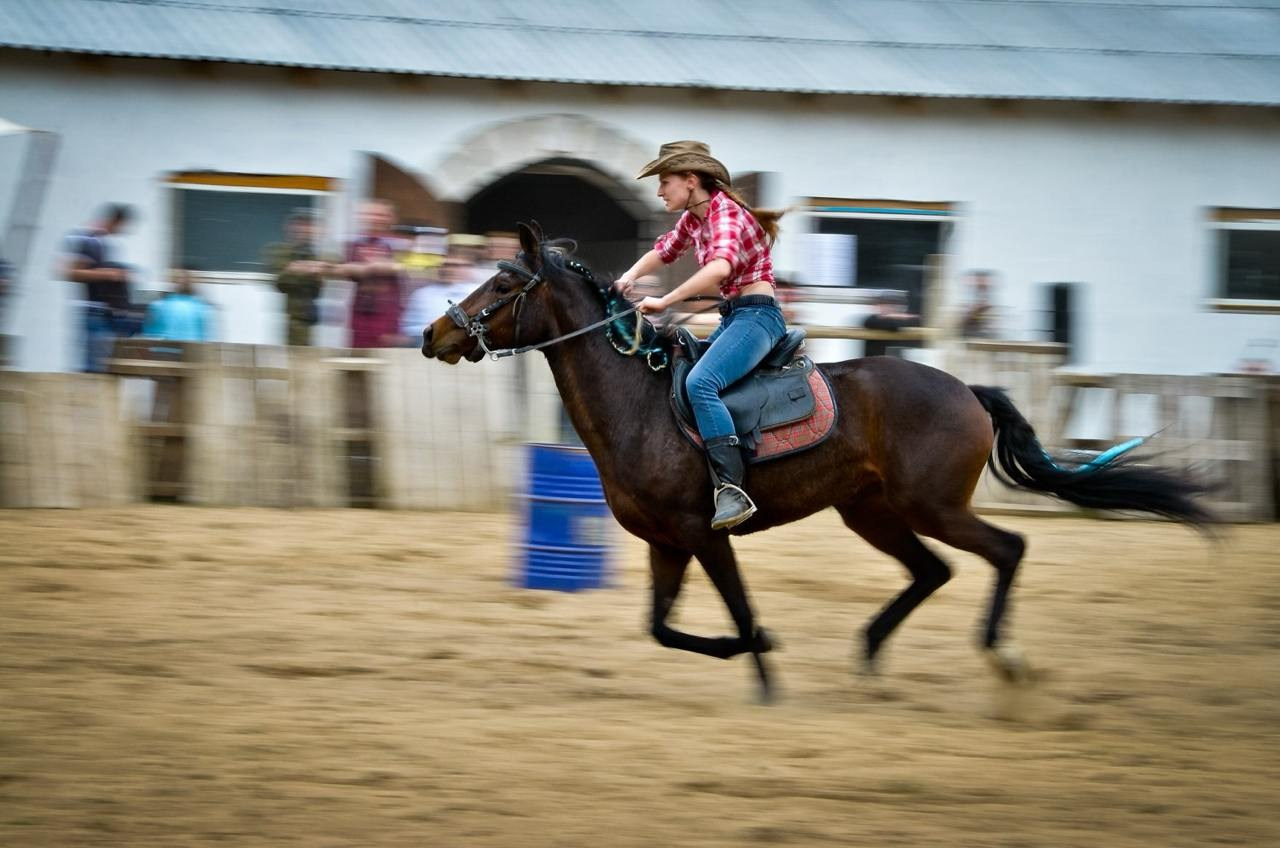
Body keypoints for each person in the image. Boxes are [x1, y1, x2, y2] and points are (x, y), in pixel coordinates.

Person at [617, 140, 786, 530]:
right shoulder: (696, 218)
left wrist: (666, 299)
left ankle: (731, 488)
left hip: (758, 318)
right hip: (735, 317)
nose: (660, 191)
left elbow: (719, 269)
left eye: (665, 181)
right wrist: (626, 279)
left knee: (701, 382)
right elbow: (665, 250)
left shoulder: (726, 216)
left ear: (690, 180)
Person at [62, 203, 141, 372]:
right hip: (94, 311)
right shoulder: (89, 240)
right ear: (116, 221)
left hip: (106, 311)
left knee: (103, 364)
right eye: (123, 226)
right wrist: (108, 274)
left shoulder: (101, 242)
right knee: (93, 367)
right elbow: (70, 272)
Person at [343, 199, 405, 348]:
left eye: (380, 215)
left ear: (391, 218)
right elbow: (344, 271)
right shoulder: (353, 243)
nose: (375, 219)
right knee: (357, 357)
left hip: (389, 314)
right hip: (359, 313)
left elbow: (409, 272)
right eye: (370, 214)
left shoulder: (400, 244)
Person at [264, 208, 327, 347]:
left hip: (316, 316)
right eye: (300, 223)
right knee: (293, 354)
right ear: (289, 227)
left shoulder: (318, 253)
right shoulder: (279, 251)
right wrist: (303, 269)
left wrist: (301, 269)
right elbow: (279, 282)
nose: (304, 229)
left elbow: (329, 269)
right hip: (290, 318)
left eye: (308, 225)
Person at [401, 253, 478, 342]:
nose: (448, 270)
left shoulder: (477, 292)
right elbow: (409, 329)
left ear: (468, 269)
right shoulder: (422, 295)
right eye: (444, 265)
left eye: (455, 266)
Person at [142, 268, 214, 342]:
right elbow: (206, 337)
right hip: (192, 351)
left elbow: (149, 333)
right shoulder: (202, 308)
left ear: (171, 285)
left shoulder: (158, 306)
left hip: (164, 350)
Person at [862, 290, 921, 357]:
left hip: (899, 362)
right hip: (875, 362)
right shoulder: (871, 320)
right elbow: (893, 326)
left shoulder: (904, 320)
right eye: (883, 304)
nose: (887, 307)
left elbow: (917, 321)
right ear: (876, 306)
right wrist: (894, 317)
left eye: (891, 304)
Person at [959, 269, 997, 339]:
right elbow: (963, 320)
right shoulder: (968, 295)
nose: (982, 284)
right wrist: (973, 311)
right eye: (980, 280)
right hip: (970, 333)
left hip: (984, 334)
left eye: (984, 281)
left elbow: (991, 322)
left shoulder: (989, 297)